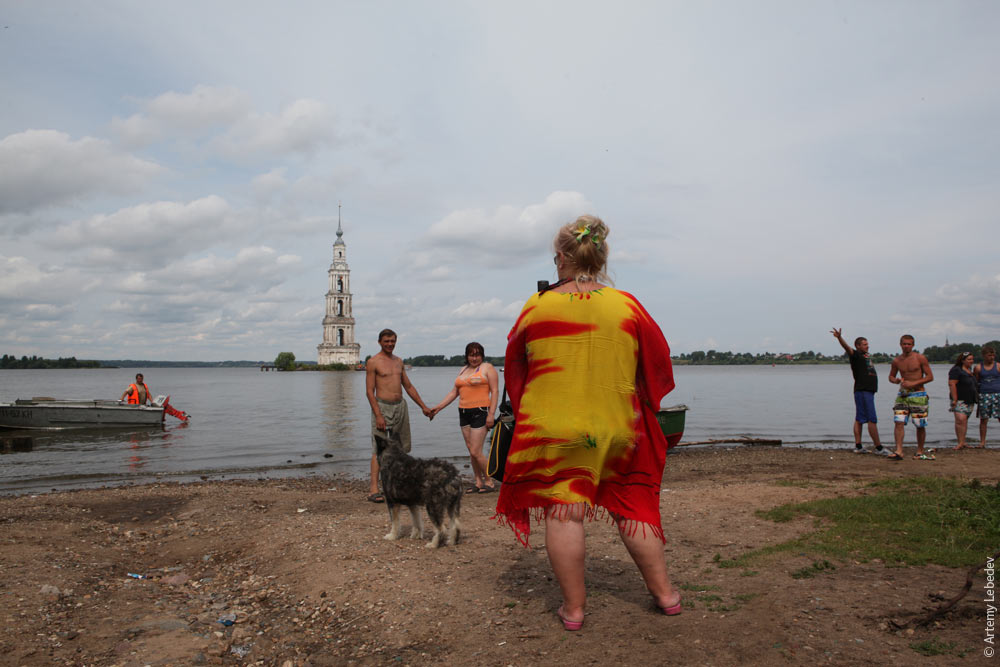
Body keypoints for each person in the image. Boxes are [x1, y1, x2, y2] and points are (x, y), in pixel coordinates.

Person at [495, 215, 681, 631]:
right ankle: (666, 596)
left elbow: (515, 366)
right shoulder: (627, 305)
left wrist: (529, 412)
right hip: (618, 425)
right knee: (632, 505)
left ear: (561, 258)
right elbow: (658, 363)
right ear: (600, 257)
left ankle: (574, 610)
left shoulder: (537, 306)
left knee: (565, 513)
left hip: (554, 426)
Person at [365, 329, 433, 502]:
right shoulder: (373, 362)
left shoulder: (398, 361)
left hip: (400, 407)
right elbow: (369, 392)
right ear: (380, 342)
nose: (390, 344)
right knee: (378, 449)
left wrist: (423, 407)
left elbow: (408, 386)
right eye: (386, 341)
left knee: (401, 448)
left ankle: (399, 486)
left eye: (392, 341)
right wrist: (378, 415)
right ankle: (374, 490)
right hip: (382, 407)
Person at [430, 342, 499, 493]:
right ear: (467, 356)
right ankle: (478, 482)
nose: (474, 358)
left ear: (482, 355)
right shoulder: (463, 369)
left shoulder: (488, 368)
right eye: (471, 355)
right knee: (471, 449)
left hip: (480, 411)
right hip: (463, 412)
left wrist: (491, 414)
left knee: (475, 451)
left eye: (477, 355)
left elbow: (495, 391)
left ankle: (489, 481)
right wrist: (438, 407)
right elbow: (454, 392)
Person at [830, 328, 883, 455]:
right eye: (864, 344)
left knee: (860, 419)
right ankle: (879, 448)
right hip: (863, 390)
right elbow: (847, 348)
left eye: (867, 344)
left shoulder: (866, 356)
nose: (867, 346)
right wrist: (839, 338)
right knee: (872, 419)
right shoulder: (856, 355)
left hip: (867, 391)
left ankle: (858, 446)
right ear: (858, 346)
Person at [888, 334, 935, 460]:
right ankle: (899, 450)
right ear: (900, 344)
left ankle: (920, 451)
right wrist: (896, 380)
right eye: (904, 344)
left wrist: (913, 383)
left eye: (909, 344)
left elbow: (930, 377)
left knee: (920, 424)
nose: (906, 346)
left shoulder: (920, 358)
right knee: (898, 421)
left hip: (918, 394)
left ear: (913, 345)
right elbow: (891, 376)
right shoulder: (897, 361)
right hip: (903, 395)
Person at [948, 351, 978, 450]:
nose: (971, 361)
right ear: (962, 360)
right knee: (960, 420)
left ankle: (963, 442)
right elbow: (952, 384)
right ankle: (960, 443)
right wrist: (954, 399)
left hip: (970, 400)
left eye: (972, 359)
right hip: (959, 400)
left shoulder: (969, 370)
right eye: (969, 359)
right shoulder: (956, 370)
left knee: (964, 421)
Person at [974, 345, 1000, 448]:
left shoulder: (998, 366)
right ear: (984, 355)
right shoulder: (978, 367)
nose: (992, 357)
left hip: (998, 394)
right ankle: (982, 442)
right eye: (989, 355)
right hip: (984, 395)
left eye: (993, 355)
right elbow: (976, 382)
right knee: (984, 419)